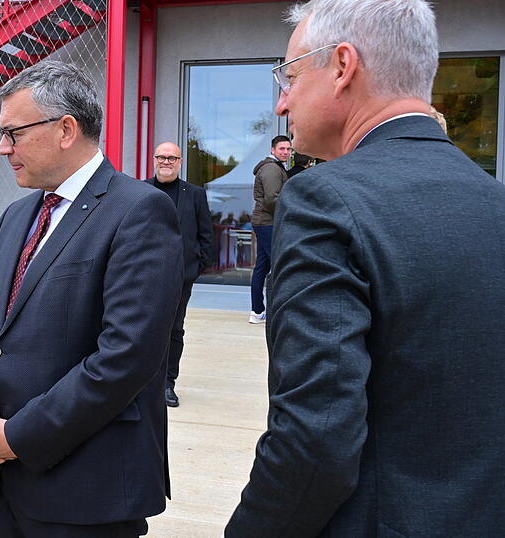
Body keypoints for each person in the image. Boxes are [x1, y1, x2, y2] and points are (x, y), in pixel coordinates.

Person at [226, 1, 505, 536]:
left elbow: (315, 437)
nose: (282, 103)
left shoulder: (323, 199)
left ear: (342, 66)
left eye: (287, 76)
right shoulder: (492, 202)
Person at [0, 61, 183, 537]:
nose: (2, 148)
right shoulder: (17, 215)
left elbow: (126, 357)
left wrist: (17, 435)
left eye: (13, 133)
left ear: (66, 130)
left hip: (85, 490)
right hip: (3, 479)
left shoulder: (138, 211)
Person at [145, 141, 214, 407]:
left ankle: (167, 383)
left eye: (171, 158)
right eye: (161, 157)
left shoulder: (194, 194)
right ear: (154, 159)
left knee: (174, 329)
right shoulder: (141, 190)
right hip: (144, 275)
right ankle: (142, 382)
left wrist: (195, 269)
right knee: (142, 328)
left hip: (179, 277)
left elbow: (206, 234)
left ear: (180, 162)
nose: (166, 162)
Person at [248, 135, 291, 324]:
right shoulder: (272, 169)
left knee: (263, 267)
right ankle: (274, 311)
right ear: (273, 150)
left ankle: (257, 311)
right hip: (268, 223)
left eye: (289, 149)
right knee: (278, 266)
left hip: (265, 222)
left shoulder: (273, 167)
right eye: (282, 149)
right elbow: (272, 199)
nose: (286, 152)